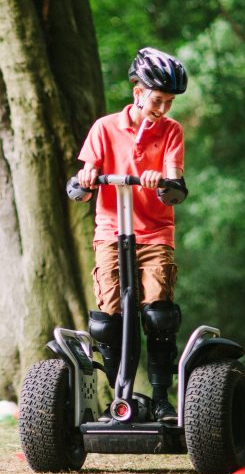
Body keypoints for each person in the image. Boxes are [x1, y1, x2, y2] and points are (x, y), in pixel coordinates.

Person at [75, 47, 189, 422]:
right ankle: (118, 394)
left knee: (158, 315)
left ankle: (160, 397)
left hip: (155, 233)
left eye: (169, 102)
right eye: (158, 100)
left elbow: (174, 182)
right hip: (112, 230)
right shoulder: (105, 127)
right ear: (137, 90)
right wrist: (89, 176)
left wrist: (163, 181)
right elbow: (85, 178)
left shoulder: (171, 132)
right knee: (108, 318)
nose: (163, 109)